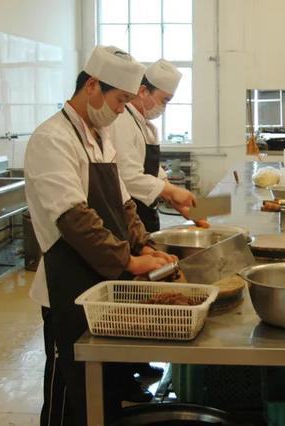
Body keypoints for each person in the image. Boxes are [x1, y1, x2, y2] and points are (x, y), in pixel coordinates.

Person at [25, 46, 177, 426]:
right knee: (70, 389)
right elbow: (75, 219)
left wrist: (145, 244)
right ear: (92, 85)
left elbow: (123, 204)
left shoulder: (100, 136)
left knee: (103, 385)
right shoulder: (52, 139)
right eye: (120, 100)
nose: (122, 110)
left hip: (101, 281)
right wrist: (128, 260)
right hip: (67, 284)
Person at [109, 58, 207, 231]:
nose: (164, 107)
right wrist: (172, 192)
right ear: (142, 91)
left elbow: (155, 172)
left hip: (147, 212)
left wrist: (181, 206)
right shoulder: (122, 121)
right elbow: (128, 177)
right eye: (164, 100)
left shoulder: (148, 127)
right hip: (127, 216)